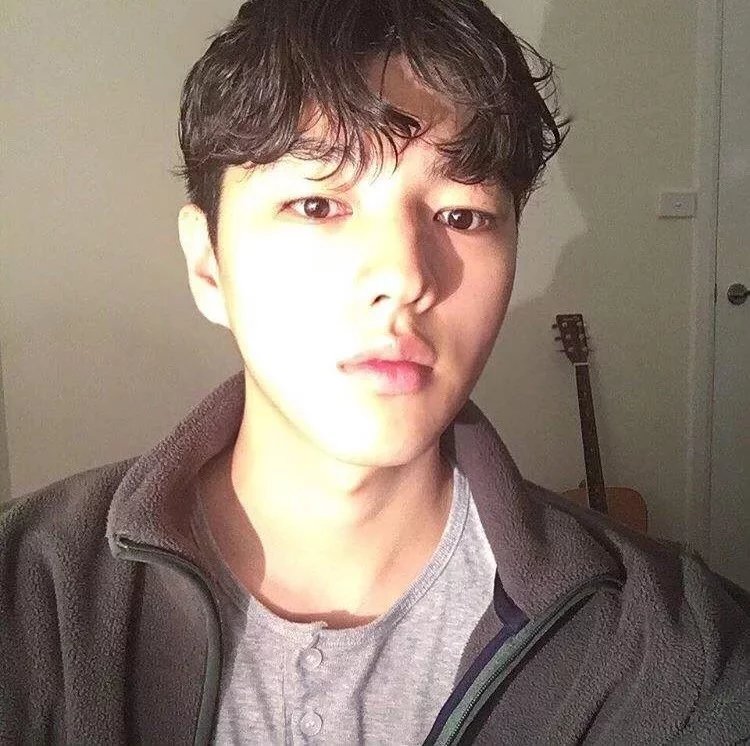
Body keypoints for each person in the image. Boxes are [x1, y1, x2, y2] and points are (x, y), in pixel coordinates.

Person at [1, 0, 749, 743]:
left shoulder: (674, 650)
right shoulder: (32, 598)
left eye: (462, 215)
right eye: (317, 205)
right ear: (208, 266)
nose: (404, 275)